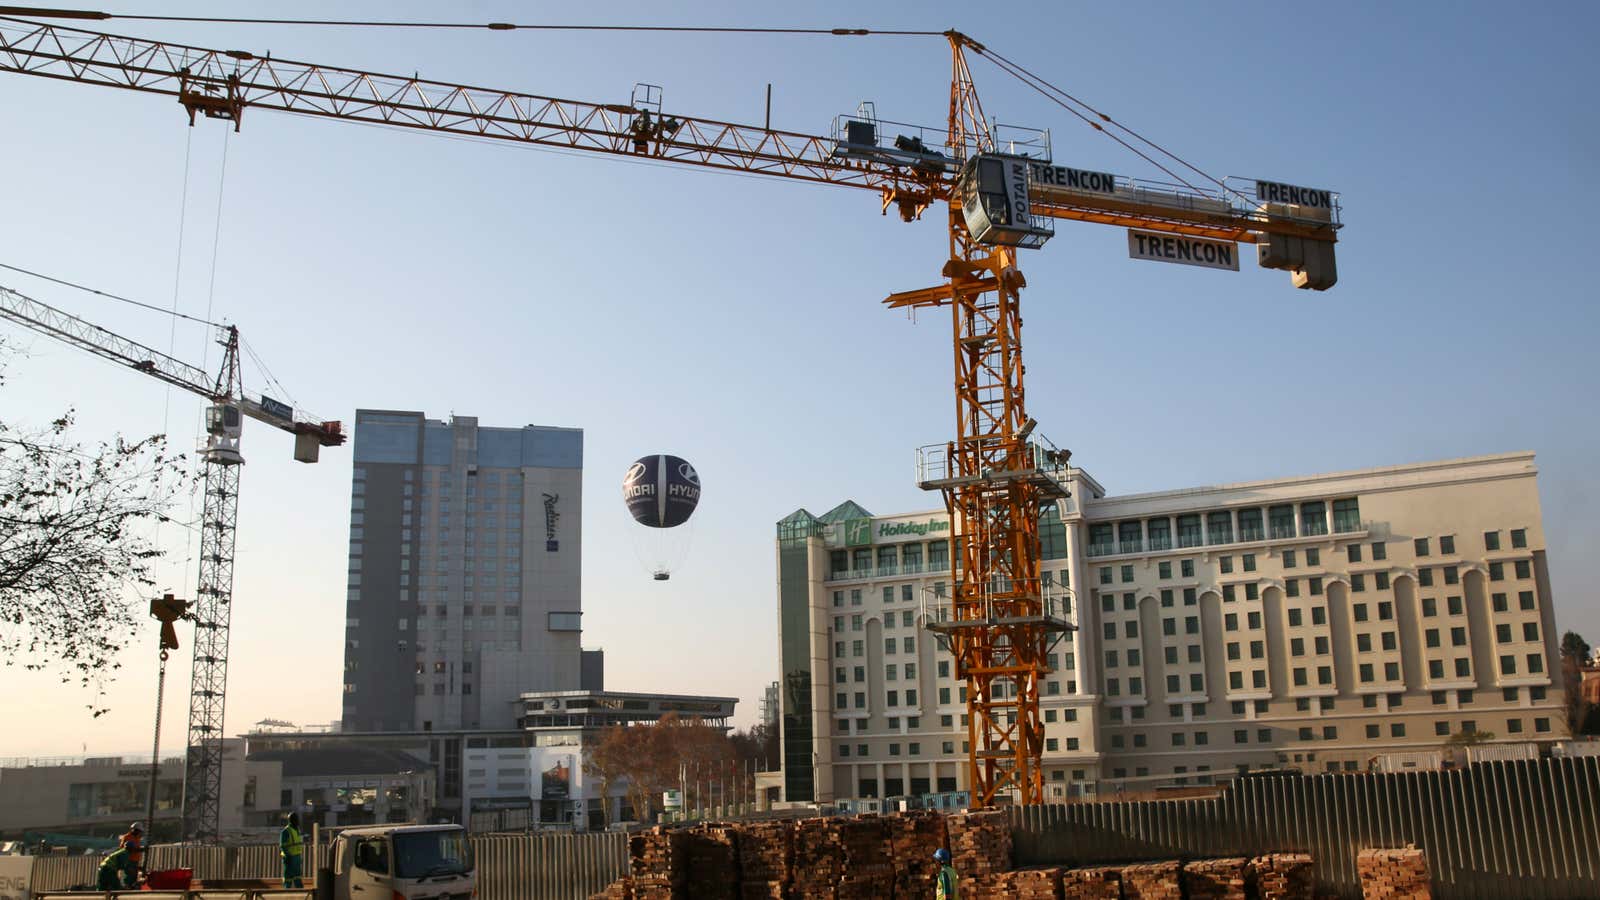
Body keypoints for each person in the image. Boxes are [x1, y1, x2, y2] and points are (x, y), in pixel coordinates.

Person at [280, 812, 305, 889]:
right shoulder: (286, 831)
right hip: (290, 858)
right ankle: (286, 894)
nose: (297, 821)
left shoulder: (297, 830)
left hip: (297, 857)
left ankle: (301, 893)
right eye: (295, 819)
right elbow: (282, 847)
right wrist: (287, 857)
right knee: (288, 879)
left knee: (297, 878)